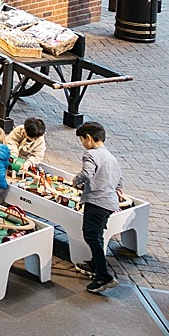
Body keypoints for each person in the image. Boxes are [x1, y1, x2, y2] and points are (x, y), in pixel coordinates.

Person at [74, 121, 124, 293]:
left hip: (96, 201)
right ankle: (95, 264)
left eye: (82, 140)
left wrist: (76, 181)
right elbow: (120, 180)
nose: (83, 144)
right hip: (109, 203)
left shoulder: (91, 155)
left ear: (88, 138)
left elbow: (87, 174)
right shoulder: (111, 157)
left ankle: (103, 276)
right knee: (97, 235)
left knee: (91, 236)